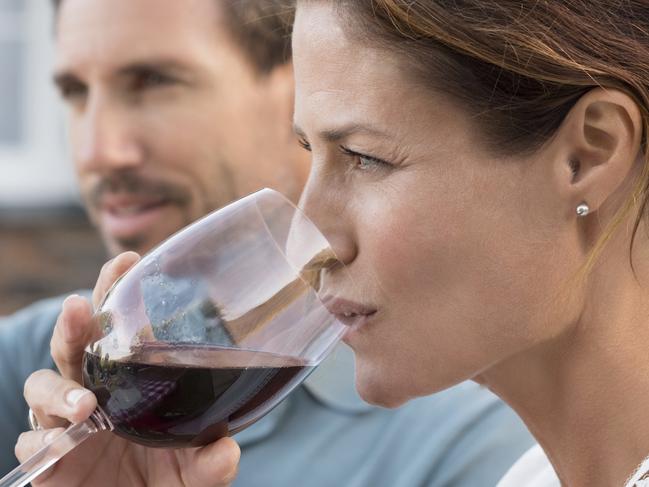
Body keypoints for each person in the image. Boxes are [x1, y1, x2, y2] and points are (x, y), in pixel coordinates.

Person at [0, 0, 536, 485]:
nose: (100, 150)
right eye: (75, 93)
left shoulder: (468, 444)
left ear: (300, 83)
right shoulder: (34, 362)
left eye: (154, 82)